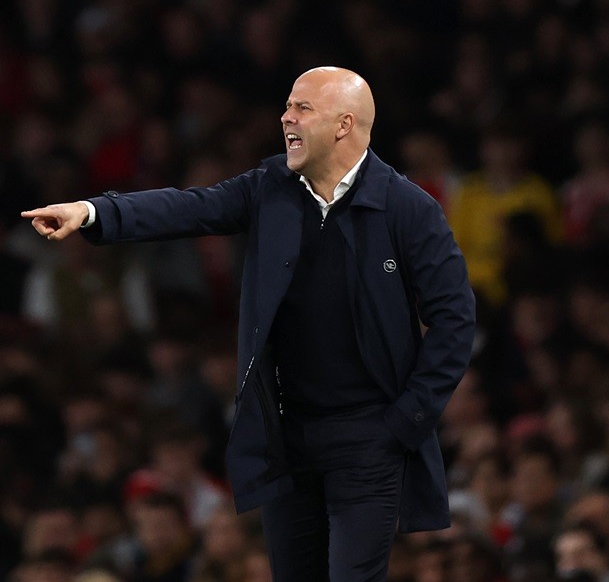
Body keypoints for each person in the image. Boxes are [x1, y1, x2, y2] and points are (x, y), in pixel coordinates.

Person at [23, 66, 476, 580]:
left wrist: (406, 421)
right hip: (285, 436)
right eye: (287, 106)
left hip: (369, 438)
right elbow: (188, 207)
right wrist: (92, 212)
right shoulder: (271, 188)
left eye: (303, 108)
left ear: (345, 124)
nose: (286, 117)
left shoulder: (408, 210)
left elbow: (455, 321)